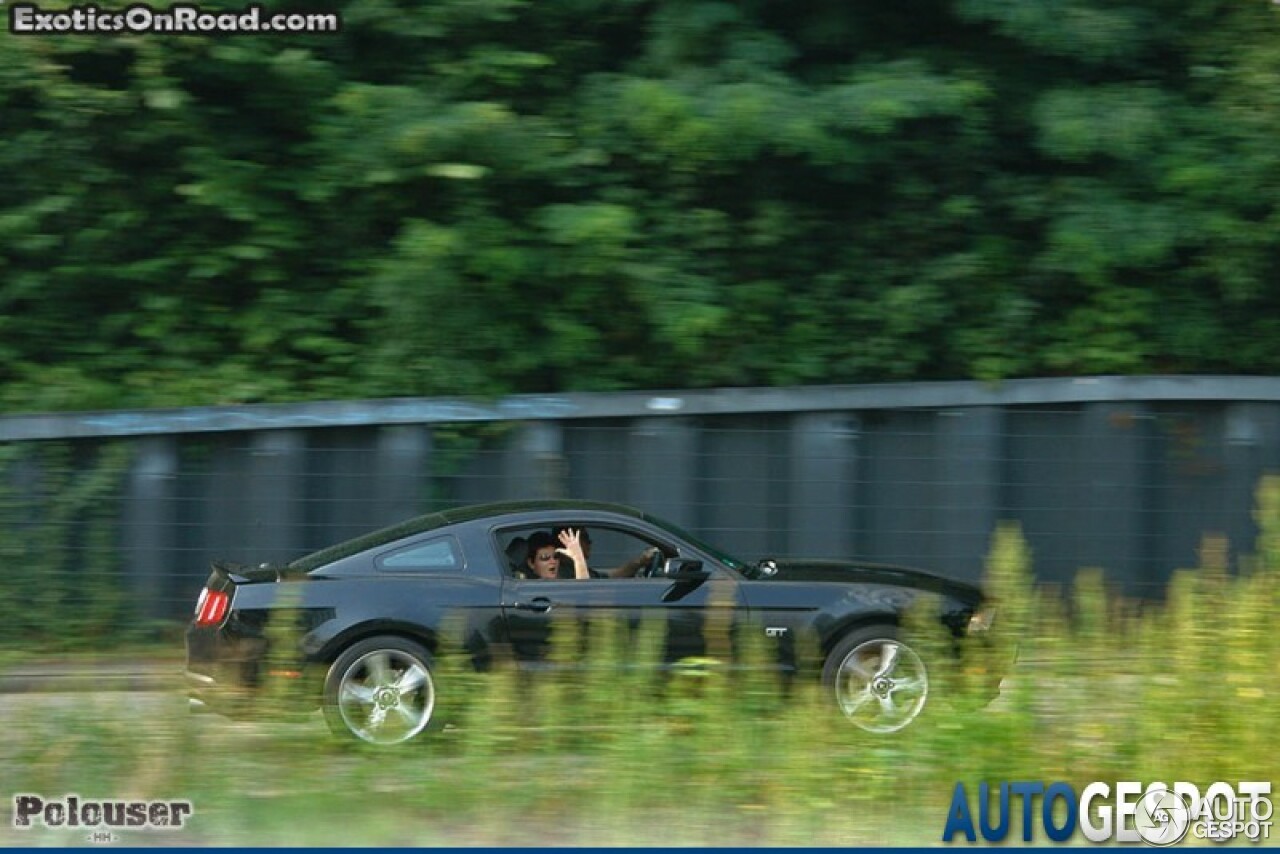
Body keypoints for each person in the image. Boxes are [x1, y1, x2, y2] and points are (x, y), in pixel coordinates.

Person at [552, 526, 660, 579]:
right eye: (584, 537)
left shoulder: (576, 568)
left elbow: (611, 577)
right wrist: (578, 557)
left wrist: (640, 561)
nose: (590, 542)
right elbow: (584, 593)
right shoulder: (560, 573)